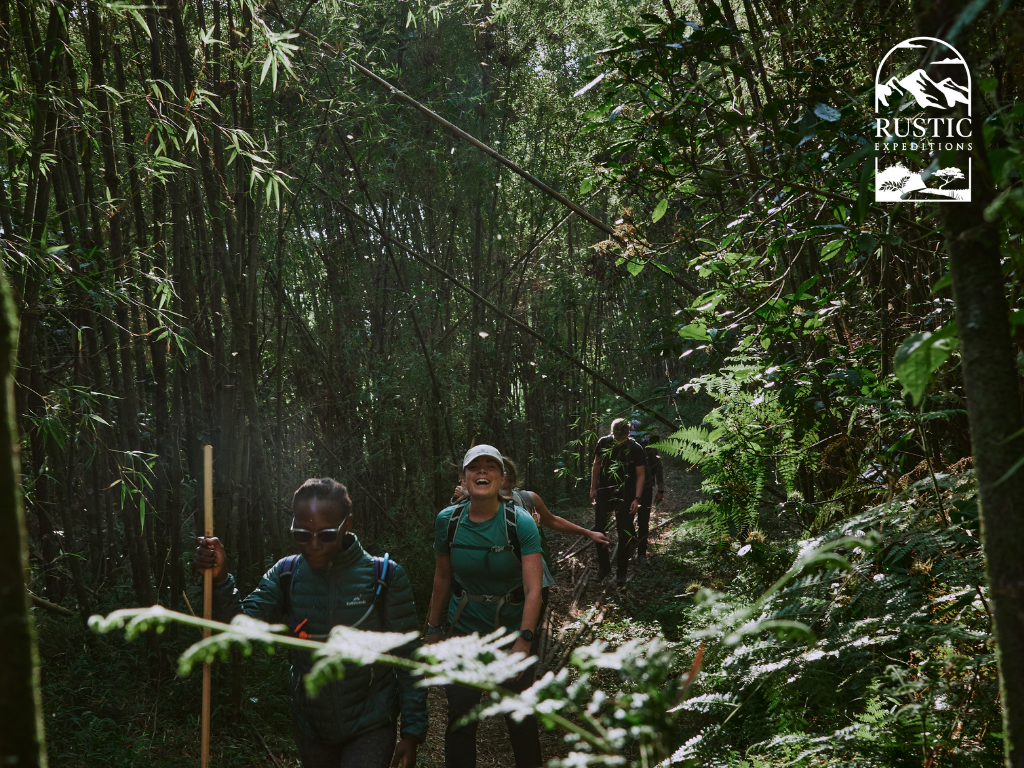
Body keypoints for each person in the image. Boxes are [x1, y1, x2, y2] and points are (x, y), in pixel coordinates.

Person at [195, 478, 427, 768]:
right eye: (302, 535)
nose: (314, 545)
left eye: (326, 535)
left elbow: (410, 659)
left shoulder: (385, 576)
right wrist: (219, 578)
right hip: (311, 726)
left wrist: (412, 732)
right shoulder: (286, 574)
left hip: (371, 723)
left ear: (347, 524)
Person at [425, 445, 544, 768]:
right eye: (474, 467)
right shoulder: (447, 522)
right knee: (461, 716)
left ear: (502, 477)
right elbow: (442, 576)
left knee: (520, 717)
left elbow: (534, 589)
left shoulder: (521, 523)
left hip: (511, 631)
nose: (482, 472)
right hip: (463, 632)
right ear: (463, 479)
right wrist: (433, 629)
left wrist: (524, 640)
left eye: (490, 466)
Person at [589, 418, 646, 586]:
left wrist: (637, 498)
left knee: (624, 532)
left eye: (621, 437)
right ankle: (604, 568)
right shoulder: (603, 443)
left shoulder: (636, 449)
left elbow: (641, 475)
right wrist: (593, 488)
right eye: (615, 436)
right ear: (611, 432)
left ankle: (621, 572)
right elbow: (597, 465)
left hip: (626, 494)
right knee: (600, 529)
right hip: (604, 492)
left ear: (628, 434)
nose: (618, 439)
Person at [630, 422, 665, 566]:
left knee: (643, 521)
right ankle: (633, 544)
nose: (634, 439)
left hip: (646, 488)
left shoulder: (649, 446)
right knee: (626, 520)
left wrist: (660, 490)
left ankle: (642, 553)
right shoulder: (624, 445)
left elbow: (658, 467)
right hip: (628, 490)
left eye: (637, 435)